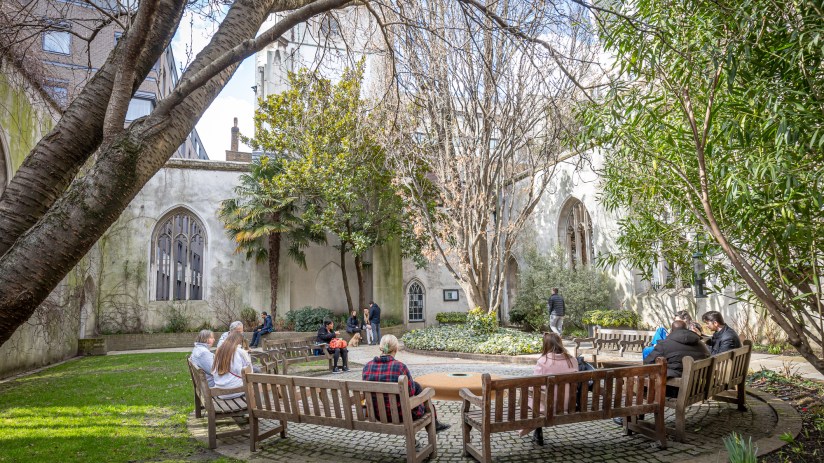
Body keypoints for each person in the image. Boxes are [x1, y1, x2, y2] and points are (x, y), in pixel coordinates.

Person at [362, 335, 450, 432]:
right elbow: (410, 393)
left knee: (415, 385)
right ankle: (435, 423)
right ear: (396, 348)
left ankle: (434, 424)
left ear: (381, 348)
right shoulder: (400, 367)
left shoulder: (367, 367)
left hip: (377, 414)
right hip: (401, 415)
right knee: (417, 389)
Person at [520, 332, 578, 445]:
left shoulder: (543, 361)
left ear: (546, 345)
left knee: (529, 395)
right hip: (569, 404)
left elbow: (534, 385)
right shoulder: (572, 360)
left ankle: (538, 431)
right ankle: (537, 432)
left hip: (549, 407)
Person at [645, 320, 710, 397]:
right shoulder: (701, 344)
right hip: (696, 387)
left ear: (672, 331)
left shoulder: (664, 344)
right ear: (687, 329)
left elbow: (647, 363)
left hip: (674, 389)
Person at [212, 332, 251, 399]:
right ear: (239, 342)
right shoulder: (239, 351)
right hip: (234, 391)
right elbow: (247, 372)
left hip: (219, 391)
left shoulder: (219, 350)